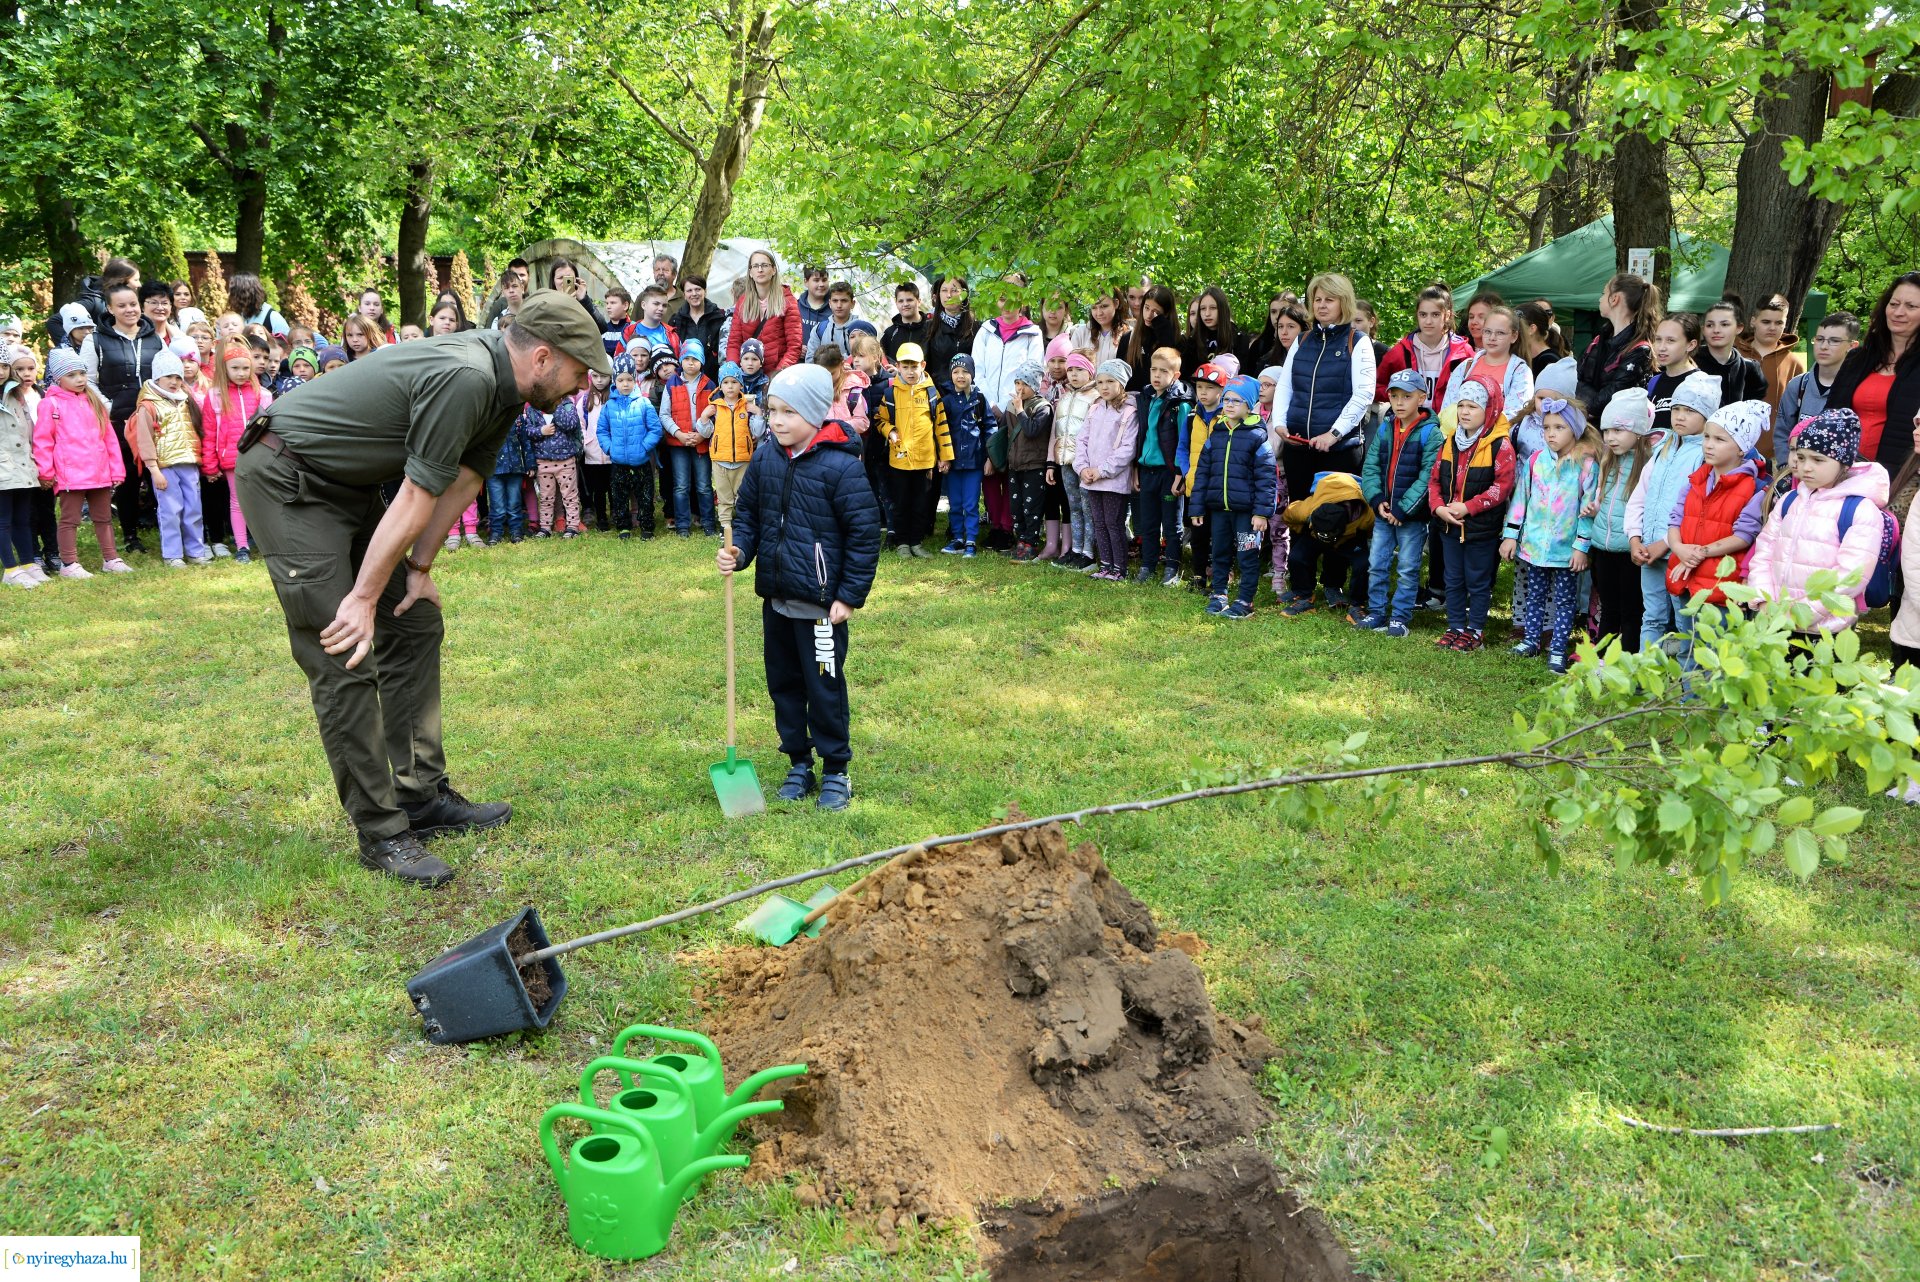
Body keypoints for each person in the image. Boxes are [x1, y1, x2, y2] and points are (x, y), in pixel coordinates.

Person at [233, 290, 604, 885]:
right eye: (579, 371)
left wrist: (420, 569)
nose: (581, 386)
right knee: (344, 647)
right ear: (541, 357)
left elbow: (466, 477)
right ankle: (382, 832)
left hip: (349, 486)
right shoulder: (466, 376)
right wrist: (359, 599)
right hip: (290, 479)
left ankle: (420, 795)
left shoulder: (507, 389)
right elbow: (416, 494)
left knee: (413, 619)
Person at [717, 363, 882, 812]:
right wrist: (740, 552)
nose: (777, 420)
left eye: (788, 412)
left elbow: (864, 535)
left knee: (823, 687)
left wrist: (848, 595)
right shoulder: (768, 456)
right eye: (772, 410)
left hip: (822, 607)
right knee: (785, 684)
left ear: (813, 413)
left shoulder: (841, 468)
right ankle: (798, 762)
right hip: (777, 598)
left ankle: (835, 771)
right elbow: (749, 516)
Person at [1748, 409, 1891, 634]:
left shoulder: (1859, 510)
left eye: (1818, 460)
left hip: (1826, 629)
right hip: (1775, 619)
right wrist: (1765, 600)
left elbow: (1851, 576)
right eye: (1801, 457)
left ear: (1844, 463)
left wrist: (1800, 614)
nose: (1805, 467)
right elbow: (1763, 551)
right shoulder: (1789, 500)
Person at [1663, 400, 1771, 666]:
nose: (1709, 444)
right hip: (1686, 578)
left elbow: (1744, 535)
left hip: (1721, 586)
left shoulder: (1754, 488)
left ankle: (1712, 706)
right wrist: (1678, 548)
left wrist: (1701, 553)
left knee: (1717, 655)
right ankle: (1690, 704)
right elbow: (1675, 519)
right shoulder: (1696, 479)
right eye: (1707, 437)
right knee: (1689, 649)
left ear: (1741, 448)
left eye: (1720, 439)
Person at [1500, 396, 1599, 673]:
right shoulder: (1535, 462)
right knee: (1535, 594)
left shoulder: (1586, 466)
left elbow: (1588, 510)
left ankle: (1557, 647)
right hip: (1534, 546)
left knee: (1565, 601)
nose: (1551, 434)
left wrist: (1581, 547)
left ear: (1575, 431)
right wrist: (1511, 535)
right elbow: (1521, 500)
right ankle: (1531, 640)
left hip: (1565, 550)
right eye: (1546, 428)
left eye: (1559, 427)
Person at [1627, 370, 1717, 648]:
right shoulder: (1663, 445)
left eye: (1689, 411)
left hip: (1679, 553)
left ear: (1706, 416)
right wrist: (1634, 538)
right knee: (1651, 616)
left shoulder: (1704, 455)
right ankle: (1644, 681)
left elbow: (1695, 510)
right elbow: (1640, 494)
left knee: (1683, 622)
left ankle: (1684, 687)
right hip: (1648, 550)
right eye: (1676, 408)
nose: (1679, 416)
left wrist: (1665, 544)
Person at [1428, 377, 1516, 651]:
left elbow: (1502, 487)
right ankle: (1455, 626)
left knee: (1477, 582)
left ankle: (1475, 630)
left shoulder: (1499, 446)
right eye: (1461, 405)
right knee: (1452, 579)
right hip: (1449, 527)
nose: (1465, 412)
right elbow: (1433, 481)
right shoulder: (1450, 442)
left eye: (1473, 407)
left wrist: (1469, 507)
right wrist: (1439, 508)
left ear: (1489, 410)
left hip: (1481, 530)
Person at [1275, 272, 1376, 507]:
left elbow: (1364, 394)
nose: (1321, 305)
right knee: (1300, 518)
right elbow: (1286, 385)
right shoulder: (1301, 340)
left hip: (1339, 451)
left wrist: (1333, 434)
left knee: (1336, 526)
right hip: (1298, 449)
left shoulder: (1357, 341)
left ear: (1344, 302)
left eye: (1329, 299)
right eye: (1318, 299)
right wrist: (1280, 423)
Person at [1356, 368, 1441, 636]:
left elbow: (1429, 476)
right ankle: (1377, 612)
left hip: (1411, 518)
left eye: (1407, 396)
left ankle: (1400, 617)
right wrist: (1378, 499)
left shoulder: (1432, 434)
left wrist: (1403, 509)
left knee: (1407, 567)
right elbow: (1370, 466)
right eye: (1394, 396)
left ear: (1422, 398)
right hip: (1383, 514)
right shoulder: (1385, 428)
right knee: (1377, 563)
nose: (1400, 402)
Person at [34, 348, 131, 578]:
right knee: (70, 519)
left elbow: (109, 439)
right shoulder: (50, 405)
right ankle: (69, 563)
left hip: (99, 473)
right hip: (71, 476)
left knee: (104, 517)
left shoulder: (93, 402)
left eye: (82, 373)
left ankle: (111, 558)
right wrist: (45, 472)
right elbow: (43, 441)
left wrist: (116, 469)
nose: (79, 379)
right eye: (72, 375)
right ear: (58, 378)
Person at [1189, 374, 1278, 618]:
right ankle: (1219, 594)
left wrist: (1262, 512)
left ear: (1249, 405)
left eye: (1236, 401)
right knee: (1219, 552)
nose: (1229, 405)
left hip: (1247, 513)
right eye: (1226, 399)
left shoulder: (1257, 436)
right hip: (1219, 510)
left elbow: (1268, 478)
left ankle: (1245, 601)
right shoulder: (1216, 434)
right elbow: (1202, 473)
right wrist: (1196, 508)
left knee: (1247, 556)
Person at [1827, 271, 1920, 493]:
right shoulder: (1857, 358)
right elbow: (1830, 416)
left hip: (1900, 480)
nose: (1898, 312)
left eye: (1911, 306)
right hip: (1843, 473)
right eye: (1894, 303)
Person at [95, 282, 164, 554]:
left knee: (159, 474)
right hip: (120, 422)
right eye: (121, 305)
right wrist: (110, 407)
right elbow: (89, 379)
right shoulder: (97, 339)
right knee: (130, 480)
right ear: (110, 309)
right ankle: (131, 535)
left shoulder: (153, 337)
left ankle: (166, 530)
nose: (129, 310)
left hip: (153, 420)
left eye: (133, 304)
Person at [1587, 387, 1656, 653]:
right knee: (1608, 606)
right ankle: (1602, 657)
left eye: (1618, 430)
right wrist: (1595, 508)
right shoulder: (1608, 460)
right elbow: (1604, 499)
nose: (1610, 438)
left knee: (1631, 608)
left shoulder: (1648, 464)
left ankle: (1627, 658)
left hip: (1629, 550)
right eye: (1606, 431)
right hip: (1604, 547)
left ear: (1638, 431)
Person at [129, 349, 210, 567]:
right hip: (164, 466)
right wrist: (153, 470)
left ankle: (196, 551)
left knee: (193, 508)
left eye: (178, 377)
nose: (174, 382)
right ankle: (173, 554)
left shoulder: (185, 400)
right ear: (157, 377)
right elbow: (144, 440)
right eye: (169, 377)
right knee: (170, 511)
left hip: (189, 463)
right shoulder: (148, 405)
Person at [874, 343, 952, 554]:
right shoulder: (890, 393)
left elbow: (941, 426)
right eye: (905, 366)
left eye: (914, 366)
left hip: (925, 459)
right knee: (901, 503)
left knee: (921, 505)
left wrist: (945, 456)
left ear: (922, 365)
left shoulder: (932, 394)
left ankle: (916, 542)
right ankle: (902, 543)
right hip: (899, 459)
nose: (910, 371)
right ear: (897, 366)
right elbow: (879, 419)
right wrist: (889, 430)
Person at [201, 340, 270, 562]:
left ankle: (267, 543)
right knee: (237, 502)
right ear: (225, 369)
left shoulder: (263, 394)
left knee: (263, 500)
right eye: (235, 368)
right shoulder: (215, 396)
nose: (241, 373)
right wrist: (210, 464)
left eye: (245, 368)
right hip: (231, 459)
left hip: (259, 456)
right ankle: (242, 546)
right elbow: (209, 432)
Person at [1132, 346, 1192, 586]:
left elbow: (1183, 441)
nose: (1157, 375)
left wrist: (1179, 473)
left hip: (1169, 473)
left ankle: (1172, 567)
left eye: (1163, 371)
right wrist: (1136, 466)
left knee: (1171, 523)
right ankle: (1147, 565)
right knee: (1147, 522)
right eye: (1153, 370)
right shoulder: (1145, 398)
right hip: (1147, 471)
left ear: (1175, 375)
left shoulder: (1180, 403)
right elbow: (1141, 435)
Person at [1077, 359, 1140, 581]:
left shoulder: (1128, 412)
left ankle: (1119, 568)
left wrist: (1102, 470)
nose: (1104, 387)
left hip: (1113, 480)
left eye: (1110, 381)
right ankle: (1105, 565)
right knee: (1099, 522)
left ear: (1121, 383)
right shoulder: (1094, 408)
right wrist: (1083, 468)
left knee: (1114, 523)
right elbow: (1081, 440)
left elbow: (1127, 449)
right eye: (1100, 382)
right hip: (1091, 478)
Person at [1775, 311, 1858, 469]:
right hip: (1798, 475)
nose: (1824, 346)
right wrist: (1786, 466)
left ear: (1852, 346)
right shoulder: (1798, 385)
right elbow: (1782, 431)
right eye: (1819, 339)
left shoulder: (1857, 389)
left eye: (1834, 341)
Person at [596, 353, 664, 540]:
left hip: (641, 460)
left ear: (634, 379)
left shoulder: (643, 403)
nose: (625, 384)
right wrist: (610, 449)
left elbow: (655, 429)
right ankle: (623, 526)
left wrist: (644, 447)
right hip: (619, 461)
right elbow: (602, 431)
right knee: (619, 497)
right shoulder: (609, 406)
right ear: (614, 382)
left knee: (645, 495)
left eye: (628, 379)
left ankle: (647, 526)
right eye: (620, 380)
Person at [1576, 272, 1660, 420]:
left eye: (1603, 293)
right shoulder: (1598, 340)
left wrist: (1580, 402)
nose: (1601, 299)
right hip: (1586, 425)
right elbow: (1576, 379)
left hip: (1617, 431)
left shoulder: (1640, 350)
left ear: (1614, 299)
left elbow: (1609, 397)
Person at [1376, 289, 1472, 412]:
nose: (1428, 321)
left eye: (1435, 314)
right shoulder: (1399, 352)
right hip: (1410, 426)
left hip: (1449, 427)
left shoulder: (1463, 352)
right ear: (1417, 315)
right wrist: (1399, 395)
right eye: (1423, 314)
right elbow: (1377, 388)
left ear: (1447, 316)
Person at [658, 339, 717, 536]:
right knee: (681, 485)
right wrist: (679, 434)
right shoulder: (671, 384)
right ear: (681, 360)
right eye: (687, 358)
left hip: (702, 441)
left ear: (701, 361)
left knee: (703, 485)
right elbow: (664, 415)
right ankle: (683, 525)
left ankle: (709, 523)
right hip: (679, 443)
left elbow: (717, 414)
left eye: (695, 359)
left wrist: (702, 435)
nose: (691, 363)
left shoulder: (710, 384)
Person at [1050, 350, 1101, 570]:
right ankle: (1076, 550)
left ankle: (1089, 553)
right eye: (1070, 369)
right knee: (1073, 507)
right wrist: (1052, 461)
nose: (1073, 374)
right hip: (1065, 461)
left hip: (1085, 464)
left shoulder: (1096, 398)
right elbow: (1056, 430)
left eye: (1079, 369)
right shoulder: (1064, 396)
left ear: (1089, 372)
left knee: (1088, 507)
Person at [1001, 361, 1054, 561]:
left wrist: (1021, 410)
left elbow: (1032, 431)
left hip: (1034, 465)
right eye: (1017, 383)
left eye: (1025, 384)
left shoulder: (1043, 407)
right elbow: (1003, 431)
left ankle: (1031, 542)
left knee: (1031, 508)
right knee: (1016, 507)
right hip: (1015, 464)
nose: (1019, 388)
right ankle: (1020, 540)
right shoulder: (1012, 404)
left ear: (1035, 385)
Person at [1, 347, 46, 587]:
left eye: (4, 366)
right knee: (3, 520)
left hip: (22, 465)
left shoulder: (15, 393)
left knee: (22, 518)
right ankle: (10, 568)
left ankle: (28, 563)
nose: (1, 371)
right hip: (2, 469)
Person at [940, 354, 991, 556]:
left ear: (972, 374)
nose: (960, 376)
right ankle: (957, 538)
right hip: (953, 462)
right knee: (955, 503)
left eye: (965, 371)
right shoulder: (946, 401)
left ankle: (971, 540)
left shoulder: (979, 399)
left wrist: (989, 458)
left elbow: (989, 428)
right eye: (956, 372)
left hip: (974, 462)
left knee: (971, 503)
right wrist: (943, 457)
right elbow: (941, 431)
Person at [704, 361, 763, 531]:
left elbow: (757, 432)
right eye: (726, 382)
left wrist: (758, 413)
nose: (730, 386)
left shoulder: (746, 406)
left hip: (743, 460)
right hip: (720, 459)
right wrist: (704, 418)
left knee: (743, 495)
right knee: (724, 497)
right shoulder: (715, 407)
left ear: (741, 385)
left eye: (734, 382)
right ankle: (725, 525)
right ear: (720, 386)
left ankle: (744, 524)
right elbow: (706, 432)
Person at [972, 277, 1046, 411]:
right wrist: (991, 404)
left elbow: (1033, 376)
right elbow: (977, 371)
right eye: (1002, 299)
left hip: (1017, 409)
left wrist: (1006, 406)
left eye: (1012, 300)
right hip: (984, 406)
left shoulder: (1032, 334)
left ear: (1022, 301)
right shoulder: (986, 330)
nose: (1006, 305)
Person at [725, 250, 804, 374]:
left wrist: (777, 375)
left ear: (773, 270)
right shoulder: (743, 302)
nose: (760, 269)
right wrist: (733, 372)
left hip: (778, 375)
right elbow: (734, 343)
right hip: (748, 376)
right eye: (755, 266)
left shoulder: (788, 301)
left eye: (764, 265)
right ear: (750, 272)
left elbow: (794, 347)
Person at [1697, 299, 1766, 404]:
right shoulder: (1688, 363)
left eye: (1724, 324)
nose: (1716, 330)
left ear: (1739, 328)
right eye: (1710, 325)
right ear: (1703, 330)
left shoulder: (1749, 369)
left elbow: (1751, 412)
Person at [1748, 293, 1805, 414]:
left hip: (1777, 432)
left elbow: (1798, 409)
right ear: (1753, 321)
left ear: (1785, 324)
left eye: (1779, 323)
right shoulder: (1733, 356)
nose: (1772, 328)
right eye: (1766, 322)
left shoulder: (1794, 364)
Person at [1645, 313, 1702, 435]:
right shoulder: (1654, 382)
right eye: (1658, 339)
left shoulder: (1701, 384)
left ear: (1691, 345)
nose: (1661, 347)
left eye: (1671, 340)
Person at [488, 405, 537, 545]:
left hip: (515, 467)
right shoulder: (486, 418)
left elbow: (525, 441)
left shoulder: (517, 417)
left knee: (514, 502)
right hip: (493, 469)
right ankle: (496, 531)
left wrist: (530, 463)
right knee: (497, 504)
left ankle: (516, 530)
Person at [578, 366, 614, 532]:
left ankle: (617, 513)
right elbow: (580, 424)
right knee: (598, 489)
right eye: (596, 376)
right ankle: (601, 518)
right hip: (592, 452)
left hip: (613, 452)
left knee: (614, 486)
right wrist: (586, 442)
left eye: (604, 376)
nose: (599, 380)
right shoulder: (585, 399)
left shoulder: (614, 397)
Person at [1181, 286, 1242, 376]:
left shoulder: (1238, 338)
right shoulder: (1192, 341)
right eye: (1203, 308)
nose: (1207, 314)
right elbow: (1185, 375)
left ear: (1222, 309)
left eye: (1213, 308)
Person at [669, 273, 728, 364]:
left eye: (698, 289)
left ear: (705, 291)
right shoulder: (676, 321)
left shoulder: (718, 317)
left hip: (713, 375)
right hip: (685, 375)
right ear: (684, 295)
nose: (694, 294)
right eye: (689, 291)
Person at [804, 281, 862, 361]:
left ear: (852, 303)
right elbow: (811, 361)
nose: (839, 305)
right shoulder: (819, 329)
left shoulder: (862, 329)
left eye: (844, 301)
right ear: (830, 303)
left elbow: (868, 359)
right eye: (835, 301)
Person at [1070, 289, 1131, 366]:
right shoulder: (1081, 333)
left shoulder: (1129, 334)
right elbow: (1071, 366)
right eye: (1094, 307)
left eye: (1104, 306)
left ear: (1116, 303)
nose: (1099, 313)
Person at [1516, 299, 1570, 377]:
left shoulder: (1549, 361)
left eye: (1518, 326)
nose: (1513, 332)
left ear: (1532, 329)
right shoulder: (1523, 356)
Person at [226, 273, 289, 338]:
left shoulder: (272, 318)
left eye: (232, 292)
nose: (229, 295)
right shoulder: (238, 318)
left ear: (244, 294)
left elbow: (285, 345)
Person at [795, 265, 833, 336]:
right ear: (806, 282)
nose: (821, 284)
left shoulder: (835, 309)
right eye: (816, 280)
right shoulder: (795, 308)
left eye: (824, 280)